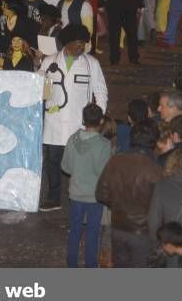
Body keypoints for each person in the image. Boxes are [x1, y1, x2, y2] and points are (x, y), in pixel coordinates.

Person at [40, 24, 108, 211]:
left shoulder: (91, 64)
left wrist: (96, 117)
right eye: (78, 44)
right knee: (53, 160)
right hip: (54, 120)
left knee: (80, 162)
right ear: (67, 42)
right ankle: (53, 197)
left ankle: (80, 197)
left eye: (84, 44)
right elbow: (39, 87)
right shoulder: (49, 62)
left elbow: (100, 91)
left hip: (80, 123)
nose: (82, 48)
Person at [96, 119, 163, 267]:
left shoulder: (115, 161)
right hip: (143, 233)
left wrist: (119, 205)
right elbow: (161, 207)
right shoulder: (155, 169)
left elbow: (101, 194)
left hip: (118, 228)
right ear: (154, 141)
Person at [61, 103, 112, 268]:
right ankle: (90, 265)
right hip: (94, 196)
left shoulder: (72, 139)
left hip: (75, 194)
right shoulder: (104, 145)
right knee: (93, 232)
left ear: (83, 120)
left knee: (75, 230)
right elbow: (104, 172)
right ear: (101, 121)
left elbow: (65, 167)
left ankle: (72, 264)